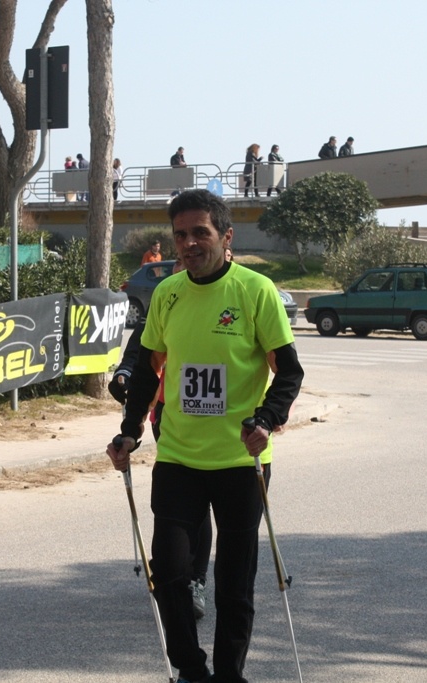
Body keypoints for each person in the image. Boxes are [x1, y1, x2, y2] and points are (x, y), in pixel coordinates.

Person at [106, 189, 304, 683]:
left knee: (234, 583)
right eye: (180, 235)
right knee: (170, 573)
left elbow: (289, 371)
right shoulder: (168, 293)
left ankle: (229, 675)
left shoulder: (256, 290)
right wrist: (130, 431)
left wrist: (267, 418)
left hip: (240, 461)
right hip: (178, 458)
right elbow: (148, 372)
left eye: (200, 233)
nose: (189, 243)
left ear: (226, 236)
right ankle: (192, 671)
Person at [110, 254, 211, 620]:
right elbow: (138, 354)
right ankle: (174, 571)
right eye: (178, 269)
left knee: (201, 504)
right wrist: (123, 375)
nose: (183, 275)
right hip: (167, 414)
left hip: (219, 422)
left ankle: (195, 579)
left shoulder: (230, 298)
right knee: (179, 500)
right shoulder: (166, 300)